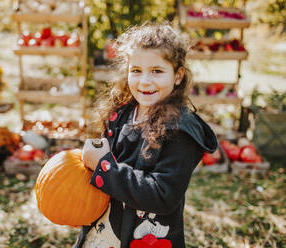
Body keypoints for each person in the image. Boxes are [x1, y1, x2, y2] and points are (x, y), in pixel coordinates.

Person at [75, 23, 218, 248]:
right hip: (107, 232)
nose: (144, 81)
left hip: (145, 239)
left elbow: (162, 195)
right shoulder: (122, 115)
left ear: (178, 75)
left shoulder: (180, 131)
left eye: (157, 71)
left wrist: (104, 168)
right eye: (136, 71)